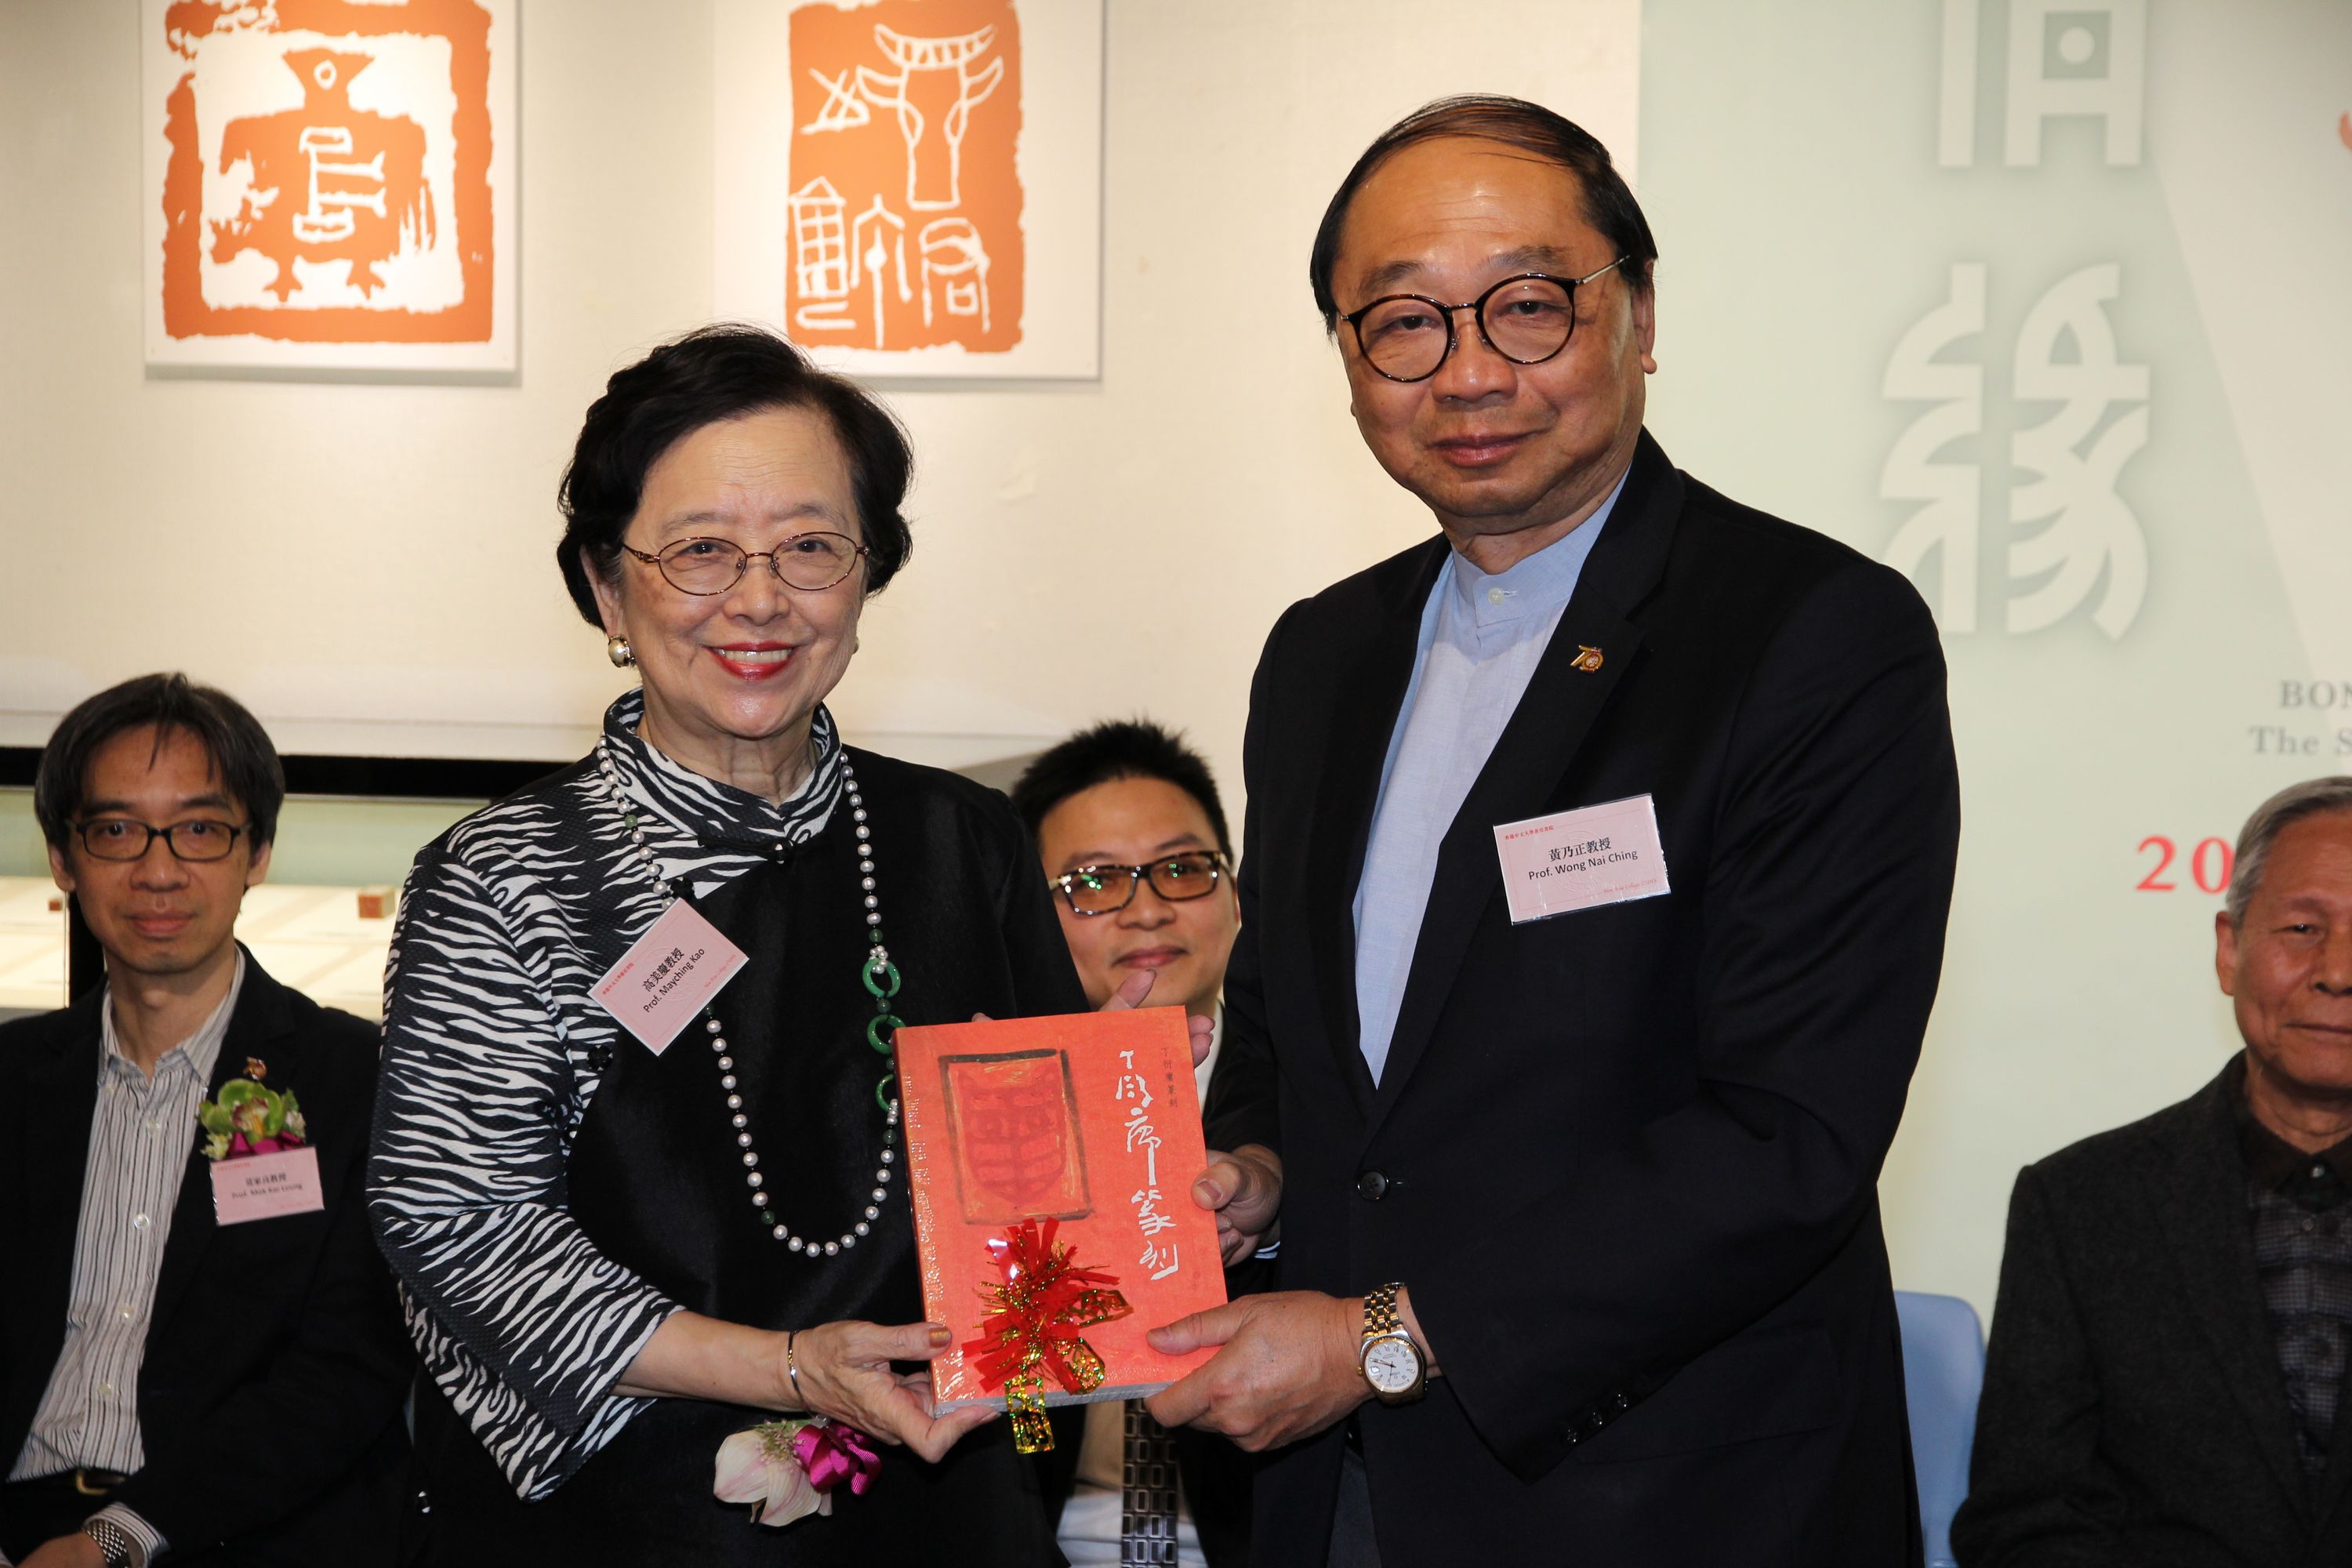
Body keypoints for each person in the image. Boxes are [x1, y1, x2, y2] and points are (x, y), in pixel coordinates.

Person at [1144, 96, 1962, 1564]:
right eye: (1400, 322)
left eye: (1527, 307)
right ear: (1344, 359)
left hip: (1672, 1493)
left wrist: (1379, 1337)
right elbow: (1278, 1028)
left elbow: (1790, 1134)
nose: (1467, 373)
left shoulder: (1809, 634)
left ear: (1638, 316)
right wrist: (1254, 1167)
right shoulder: (1323, 653)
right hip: (1335, 1492)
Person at [368, 325, 1186, 1564]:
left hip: (944, 1504)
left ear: (867, 577)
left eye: (810, 547)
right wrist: (789, 1368)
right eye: (700, 550)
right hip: (641, 1521)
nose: (759, 599)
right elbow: (459, 1220)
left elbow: (1042, 1226)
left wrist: (1157, 1192)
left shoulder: (966, 841)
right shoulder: (510, 877)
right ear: (606, 583)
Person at [0, 675, 411, 1568]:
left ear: (256, 849)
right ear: (64, 859)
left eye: (199, 829)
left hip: (239, 1529)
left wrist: (119, 1534)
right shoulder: (13, 1082)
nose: (157, 868)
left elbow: (351, 1364)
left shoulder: (354, 1078)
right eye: (114, 830)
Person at [1952, 779, 2352, 1565]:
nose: (2337, 970)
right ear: (2228, 947)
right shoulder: (2079, 1205)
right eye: (2303, 927)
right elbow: (2028, 1514)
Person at [1009, 720, 1254, 1568]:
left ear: (1234, 890)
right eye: (1093, 882)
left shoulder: (1316, 1112)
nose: (1147, 907)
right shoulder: (993, 1124)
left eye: (1185, 868)